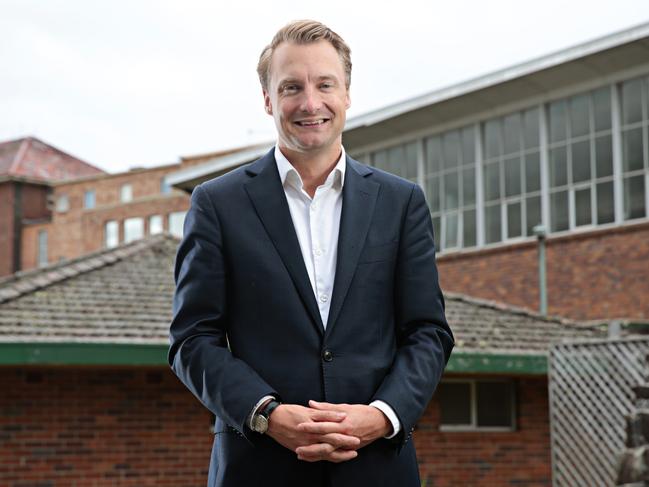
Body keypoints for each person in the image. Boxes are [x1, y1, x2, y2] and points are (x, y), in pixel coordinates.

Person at [168, 19, 454, 487]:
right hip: (257, 468)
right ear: (267, 100)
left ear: (346, 94)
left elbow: (427, 332)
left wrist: (382, 416)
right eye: (291, 87)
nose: (310, 103)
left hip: (378, 468)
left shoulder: (401, 202)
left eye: (325, 84)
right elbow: (192, 338)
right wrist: (266, 413)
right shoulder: (218, 204)